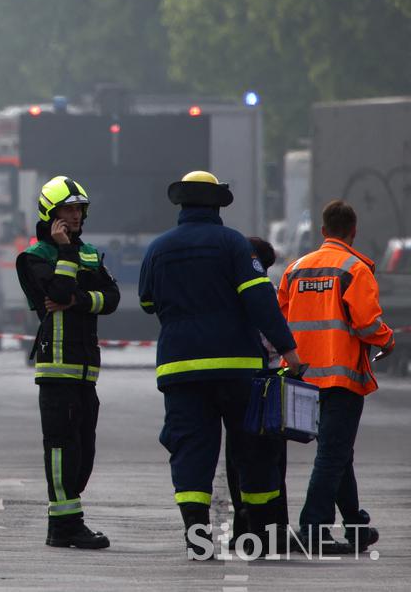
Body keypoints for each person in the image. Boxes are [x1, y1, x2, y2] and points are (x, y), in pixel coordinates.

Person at [138, 171, 299, 558]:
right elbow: (261, 301)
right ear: (216, 204)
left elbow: (147, 302)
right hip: (237, 369)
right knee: (253, 450)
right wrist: (289, 350)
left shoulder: (158, 249)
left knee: (191, 452)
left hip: (180, 369)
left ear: (183, 204)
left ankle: (197, 538)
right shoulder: (235, 245)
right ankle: (257, 539)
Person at [278, 199, 394, 553]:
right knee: (333, 452)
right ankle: (312, 528)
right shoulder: (355, 269)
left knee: (338, 452)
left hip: (301, 378)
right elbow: (366, 323)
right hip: (341, 380)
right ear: (353, 232)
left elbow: (280, 319)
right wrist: (387, 340)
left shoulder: (295, 269)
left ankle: (356, 524)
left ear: (323, 231)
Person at [15, 175, 120, 549]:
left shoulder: (89, 252)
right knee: (62, 446)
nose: (76, 215)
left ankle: (67, 518)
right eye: (68, 209)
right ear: (51, 213)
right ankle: (64, 525)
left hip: (86, 368)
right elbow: (56, 290)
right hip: (56, 366)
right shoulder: (33, 257)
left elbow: (111, 298)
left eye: (79, 209)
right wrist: (66, 255)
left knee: (84, 448)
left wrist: (77, 300)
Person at [224, 236, 289, 546]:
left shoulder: (228, 292)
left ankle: (242, 524)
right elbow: (276, 338)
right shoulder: (267, 293)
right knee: (270, 457)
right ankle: (273, 526)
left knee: (237, 454)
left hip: (240, 380)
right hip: (270, 381)